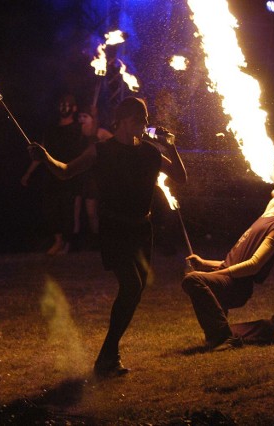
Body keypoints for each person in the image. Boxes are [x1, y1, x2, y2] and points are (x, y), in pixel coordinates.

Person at [28, 97, 187, 378]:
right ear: (125, 120)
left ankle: (108, 356)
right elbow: (65, 172)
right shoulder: (101, 151)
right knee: (131, 286)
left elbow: (180, 177)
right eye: (142, 118)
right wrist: (45, 158)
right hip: (115, 228)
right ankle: (108, 354)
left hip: (142, 229)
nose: (146, 124)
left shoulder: (150, 153)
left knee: (135, 292)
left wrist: (171, 146)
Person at [182, 184, 274, 350]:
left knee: (193, 279)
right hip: (230, 279)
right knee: (213, 332)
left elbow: (254, 265)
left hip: (236, 286)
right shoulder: (265, 218)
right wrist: (204, 263)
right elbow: (234, 262)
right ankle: (272, 324)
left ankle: (224, 339)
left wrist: (219, 273)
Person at [21, 93, 84, 255]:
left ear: (75, 108)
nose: (64, 107)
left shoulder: (79, 128)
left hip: (71, 175)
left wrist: (95, 115)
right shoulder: (51, 129)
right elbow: (40, 153)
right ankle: (58, 241)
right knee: (52, 210)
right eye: (62, 103)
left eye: (68, 104)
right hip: (51, 176)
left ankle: (68, 244)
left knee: (68, 210)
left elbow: (92, 135)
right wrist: (28, 173)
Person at [72, 104, 112, 250]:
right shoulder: (77, 133)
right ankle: (73, 243)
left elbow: (115, 144)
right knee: (75, 209)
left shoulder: (100, 132)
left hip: (93, 176)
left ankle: (98, 240)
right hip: (78, 173)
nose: (82, 119)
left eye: (85, 116)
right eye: (80, 116)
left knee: (91, 212)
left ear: (92, 118)